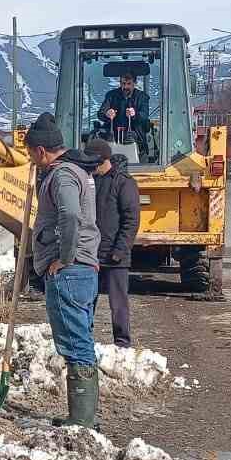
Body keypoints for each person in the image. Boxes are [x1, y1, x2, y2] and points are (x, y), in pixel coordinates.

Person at [24, 116, 101, 427]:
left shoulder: (63, 175)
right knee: (79, 337)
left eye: (30, 153)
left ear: (41, 151)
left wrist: (64, 258)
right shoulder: (76, 171)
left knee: (75, 341)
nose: (30, 159)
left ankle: (81, 423)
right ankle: (80, 418)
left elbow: (70, 215)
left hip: (70, 272)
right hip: (81, 270)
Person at [84, 136, 140, 348]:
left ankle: (122, 344)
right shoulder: (90, 182)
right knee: (87, 302)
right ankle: (85, 341)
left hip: (116, 256)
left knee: (118, 305)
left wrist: (119, 250)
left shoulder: (124, 183)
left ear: (101, 160)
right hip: (92, 255)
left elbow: (131, 220)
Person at [96, 70, 152, 151]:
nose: (125, 87)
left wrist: (134, 114)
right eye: (123, 83)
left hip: (134, 131)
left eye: (129, 84)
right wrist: (107, 114)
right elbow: (101, 113)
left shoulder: (142, 97)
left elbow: (144, 115)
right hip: (113, 131)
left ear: (134, 83)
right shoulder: (111, 95)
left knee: (130, 139)